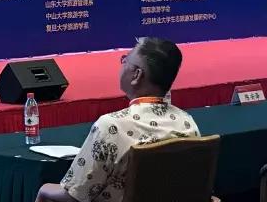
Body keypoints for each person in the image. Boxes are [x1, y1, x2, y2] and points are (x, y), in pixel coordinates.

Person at [35, 37, 199, 202]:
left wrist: (44, 189)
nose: (122, 64)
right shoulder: (187, 124)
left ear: (137, 75)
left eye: (125, 60)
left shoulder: (111, 127)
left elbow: (75, 194)